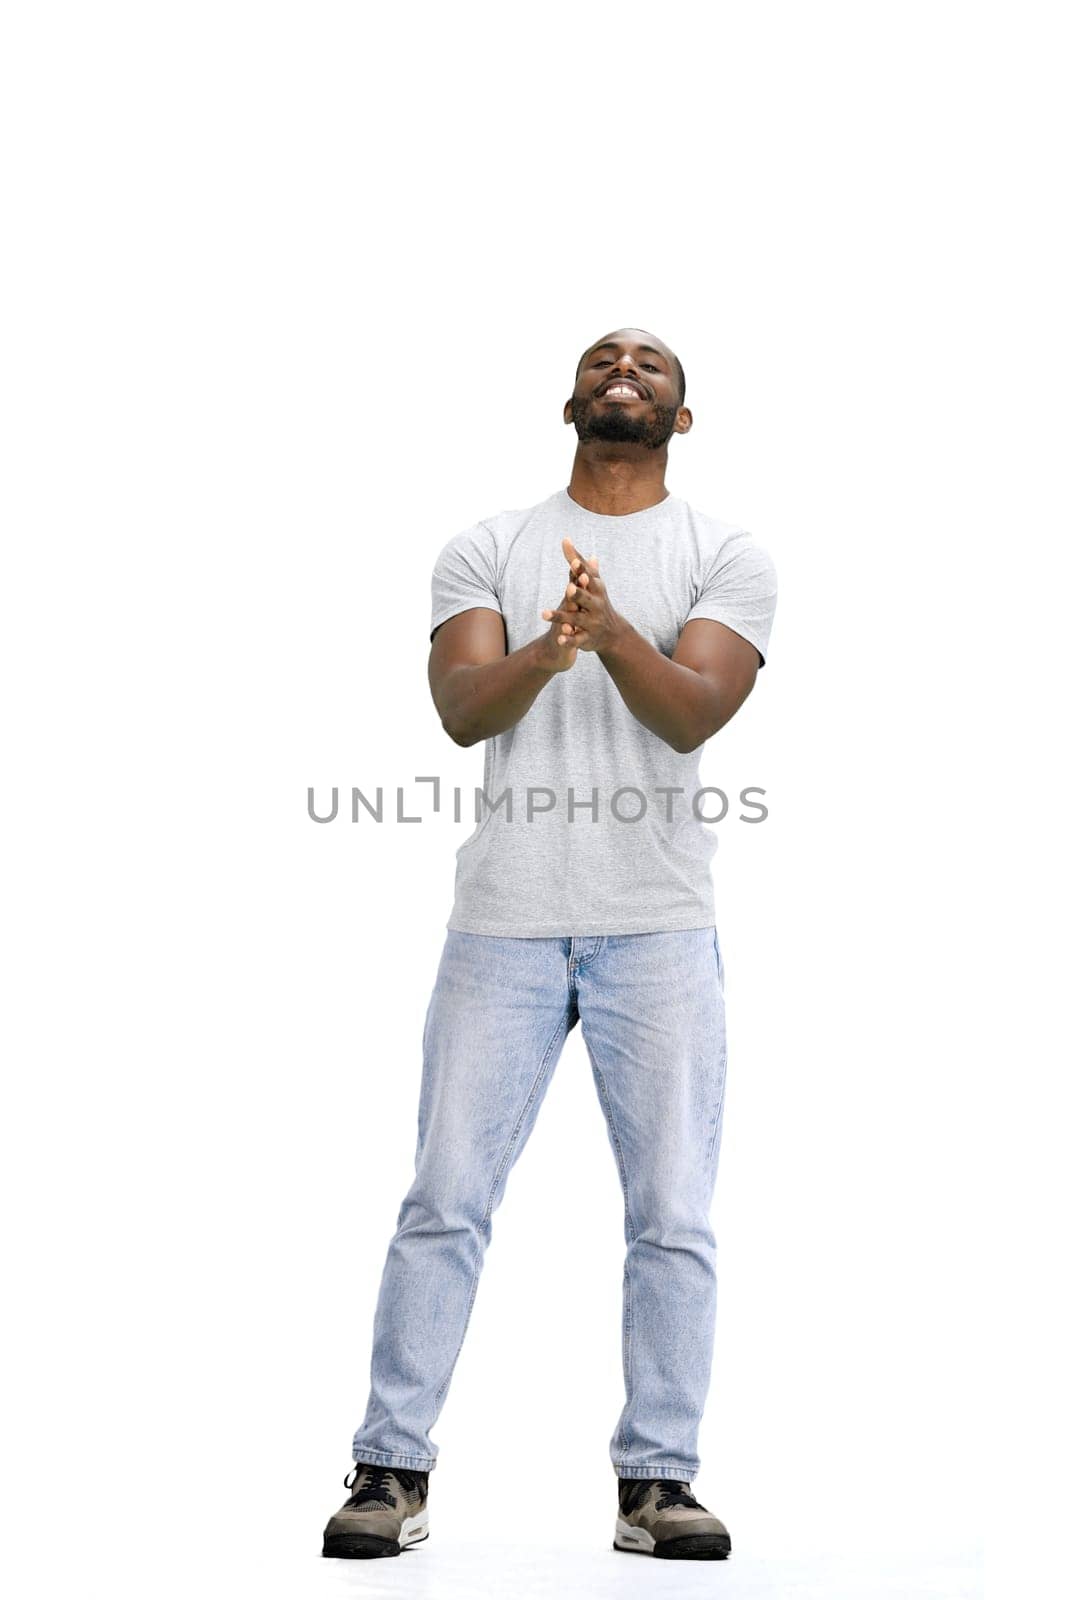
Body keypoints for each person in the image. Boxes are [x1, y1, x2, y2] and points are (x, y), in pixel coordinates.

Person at [322, 327, 778, 1561]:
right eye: (599, 357)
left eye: (651, 362)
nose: (622, 366)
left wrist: (613, 630)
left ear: (680, 417)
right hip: (502, 931)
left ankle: (657, 1484)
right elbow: (462, 710)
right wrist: (549, 643)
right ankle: (389, 1467)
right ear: (568, 400)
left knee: (672, 1214)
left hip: (660, 929)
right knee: (443, 1201)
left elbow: (690, 717)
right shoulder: (486, 545)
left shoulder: (723, 553)